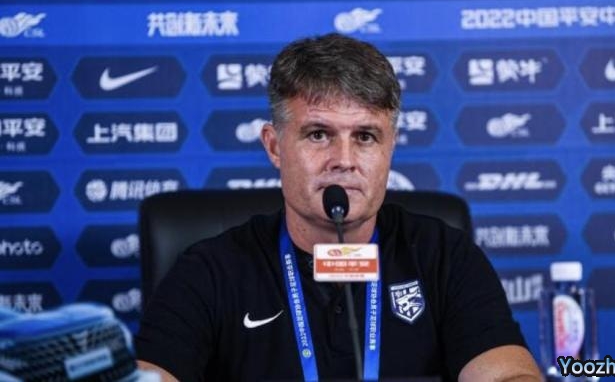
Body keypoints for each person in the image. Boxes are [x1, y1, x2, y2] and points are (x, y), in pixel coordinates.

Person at [135, 33, 541, 381]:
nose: (343, 160)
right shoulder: (211, 271)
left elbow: (507, 373)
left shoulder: (444, 256)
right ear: (274, 147)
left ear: (390, 147)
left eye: (365, 137)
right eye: (318, 134)